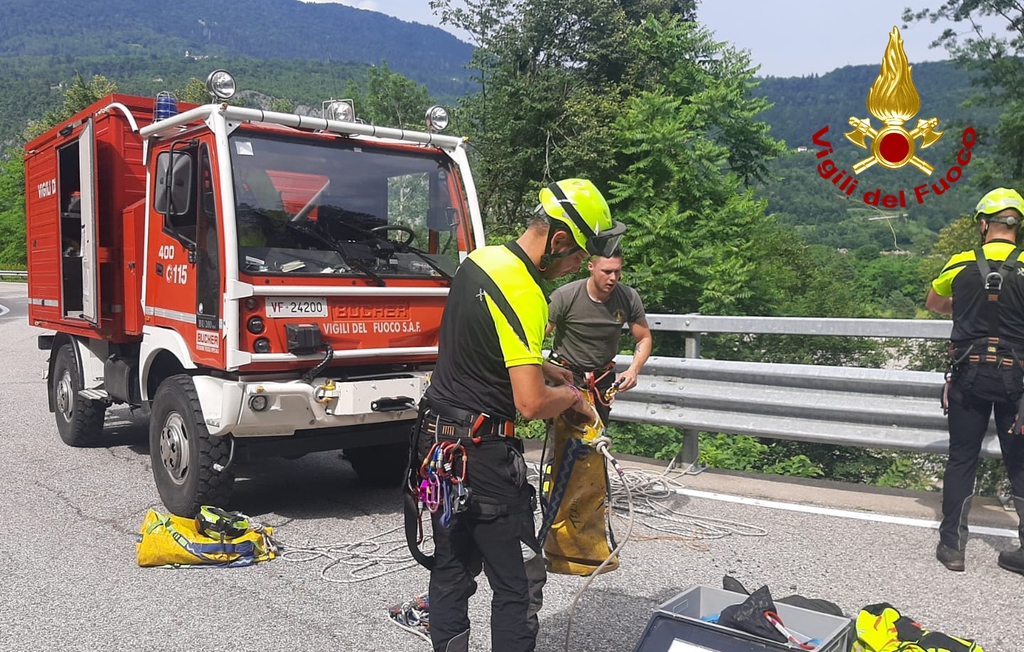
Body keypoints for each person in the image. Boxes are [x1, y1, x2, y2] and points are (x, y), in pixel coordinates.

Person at [408, 178, 626, 652]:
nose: (576, 267)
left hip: (437, 444)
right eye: (577, 256)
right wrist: (571, 397)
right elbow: (530, 404)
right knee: (517, 583)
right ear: (560, 240)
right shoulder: (527, 292)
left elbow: (487, 343)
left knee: (452, 570)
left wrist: (546, 366)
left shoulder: (481, 261)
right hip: (483, 453)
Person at [925, 187, 1024, 576]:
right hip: (1017, 380)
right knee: (1020, 463)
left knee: (962, 457)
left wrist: (968, 304)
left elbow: (935, 303)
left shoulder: (960, 262)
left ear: (984, 224)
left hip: (969, 374)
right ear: (1016, 225)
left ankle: (952, 547)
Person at [546, 249, 652, 425]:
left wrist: (633, 371)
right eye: (607, 271)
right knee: (566, 434)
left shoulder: (628, 297)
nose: (613, 278)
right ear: (591, 267)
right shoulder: (565, 296)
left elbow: (644, 338)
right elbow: (537, 336)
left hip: (602, 380)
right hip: (566, 376)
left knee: (597, 434)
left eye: (617, 272)